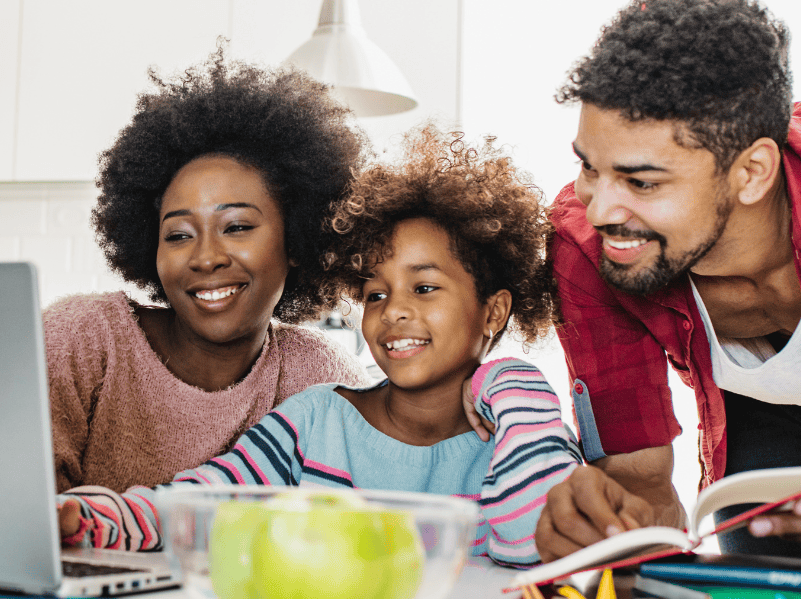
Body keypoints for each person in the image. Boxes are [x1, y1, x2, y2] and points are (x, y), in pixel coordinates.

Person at [57, 127, 582, 567]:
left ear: (493, 311)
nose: (393, 310)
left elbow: (529, 540)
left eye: (423, 288)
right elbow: (202, 502)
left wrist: (512, 381)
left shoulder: (523, 432)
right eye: (375, 293)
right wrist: (96, 517)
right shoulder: (315, 420)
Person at [537, 0, 801, 566]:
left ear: (751, 173)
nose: (599, 210)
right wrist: (607, 533)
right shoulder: (585, 247)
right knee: (765, 595)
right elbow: (638, 485)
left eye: (641, 182)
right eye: (590, 168)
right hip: (764, 424)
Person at [45, 49, 372, 495]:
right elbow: (10, 505)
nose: (205, 257)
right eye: (178, 235)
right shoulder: (81, 340)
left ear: (296, 240)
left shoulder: (320, 374)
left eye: (236, 227)